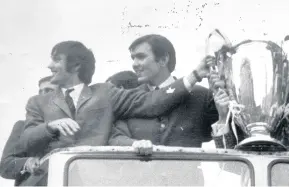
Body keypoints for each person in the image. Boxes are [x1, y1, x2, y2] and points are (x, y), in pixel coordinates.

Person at [17, 40, 213, 186]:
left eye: (56, 59)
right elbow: (25, 141)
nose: (50, 66)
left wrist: (194, 75)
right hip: (52, 182)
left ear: (76, 65)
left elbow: (153, 101)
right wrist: (50, 127)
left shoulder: (105, 93)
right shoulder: (37, 102)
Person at [0, 76, 58, 186]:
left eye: (49, 91)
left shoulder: (70, 124)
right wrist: (27, 163)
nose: (42, 95)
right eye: (40, 91)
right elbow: (5, 166)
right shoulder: (22, 126)